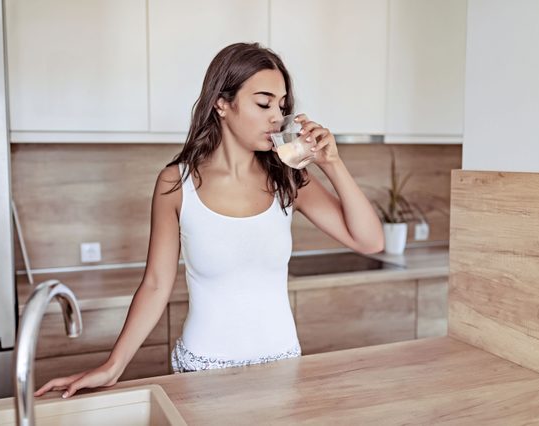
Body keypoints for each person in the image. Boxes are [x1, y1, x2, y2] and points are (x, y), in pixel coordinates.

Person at [35, 42, 384, 399]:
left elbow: (370, 242)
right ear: (222, 103)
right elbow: (156, 283)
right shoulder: (176, 183)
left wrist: (332, 164)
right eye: (263, 103)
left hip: (282, 369)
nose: (276, 117)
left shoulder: (289, 180)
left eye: (281, 106)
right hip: (202, 373)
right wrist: (113, 366)